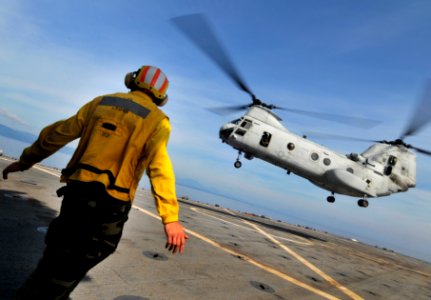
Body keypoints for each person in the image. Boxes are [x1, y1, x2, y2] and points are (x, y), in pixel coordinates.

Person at [2, 65, 189, 299]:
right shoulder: (158, 121)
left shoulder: (102, 102)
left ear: (133, 80)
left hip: (76, 192)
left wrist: (26, 160)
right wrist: (170, 217)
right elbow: (159, 166)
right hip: (110, 204)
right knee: (74, 261)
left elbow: (58, 133)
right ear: (161, 95)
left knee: (59, 253)